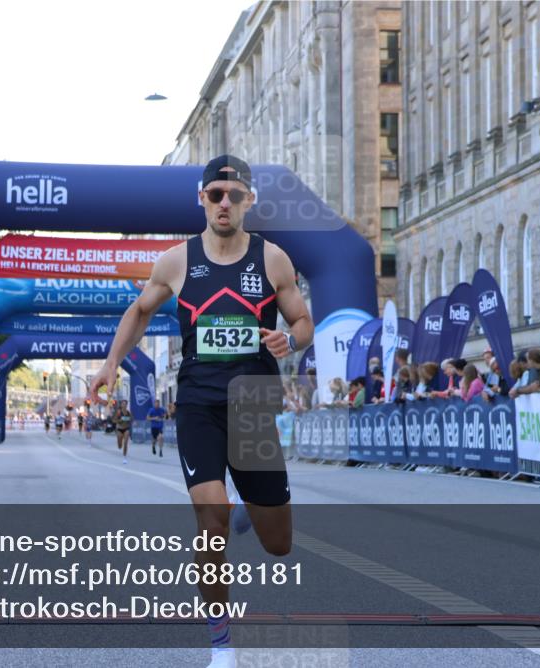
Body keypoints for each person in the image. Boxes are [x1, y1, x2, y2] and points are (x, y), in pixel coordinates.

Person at [90, 154, 312, 668]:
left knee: (278, 542)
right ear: (201, 199)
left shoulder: (273, 259)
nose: (225, 203)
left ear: (249, 200)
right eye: (216, 194)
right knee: (211, 517)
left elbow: (302, 321)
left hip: (254, 406)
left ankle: (251, 510)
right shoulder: (176, 261)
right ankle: (221, 647)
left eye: (234, 195)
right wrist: (110, 363)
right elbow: (140, 311)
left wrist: (289, 339)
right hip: (198, 405)